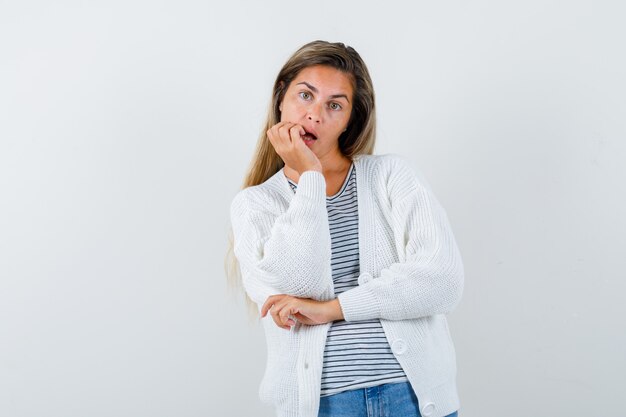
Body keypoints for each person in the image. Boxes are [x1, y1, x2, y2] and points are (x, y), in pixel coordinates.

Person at [227, 40, 464, 417]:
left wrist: (333, 309)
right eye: (305, 95)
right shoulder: (254, 205)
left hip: (413, 398)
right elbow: (294, 291)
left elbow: (442, 281)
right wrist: (309, 180)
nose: (314, 115)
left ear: (351, 118)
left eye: (334, 105)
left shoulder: (391, 176)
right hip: (322, 405)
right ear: (280, 100)